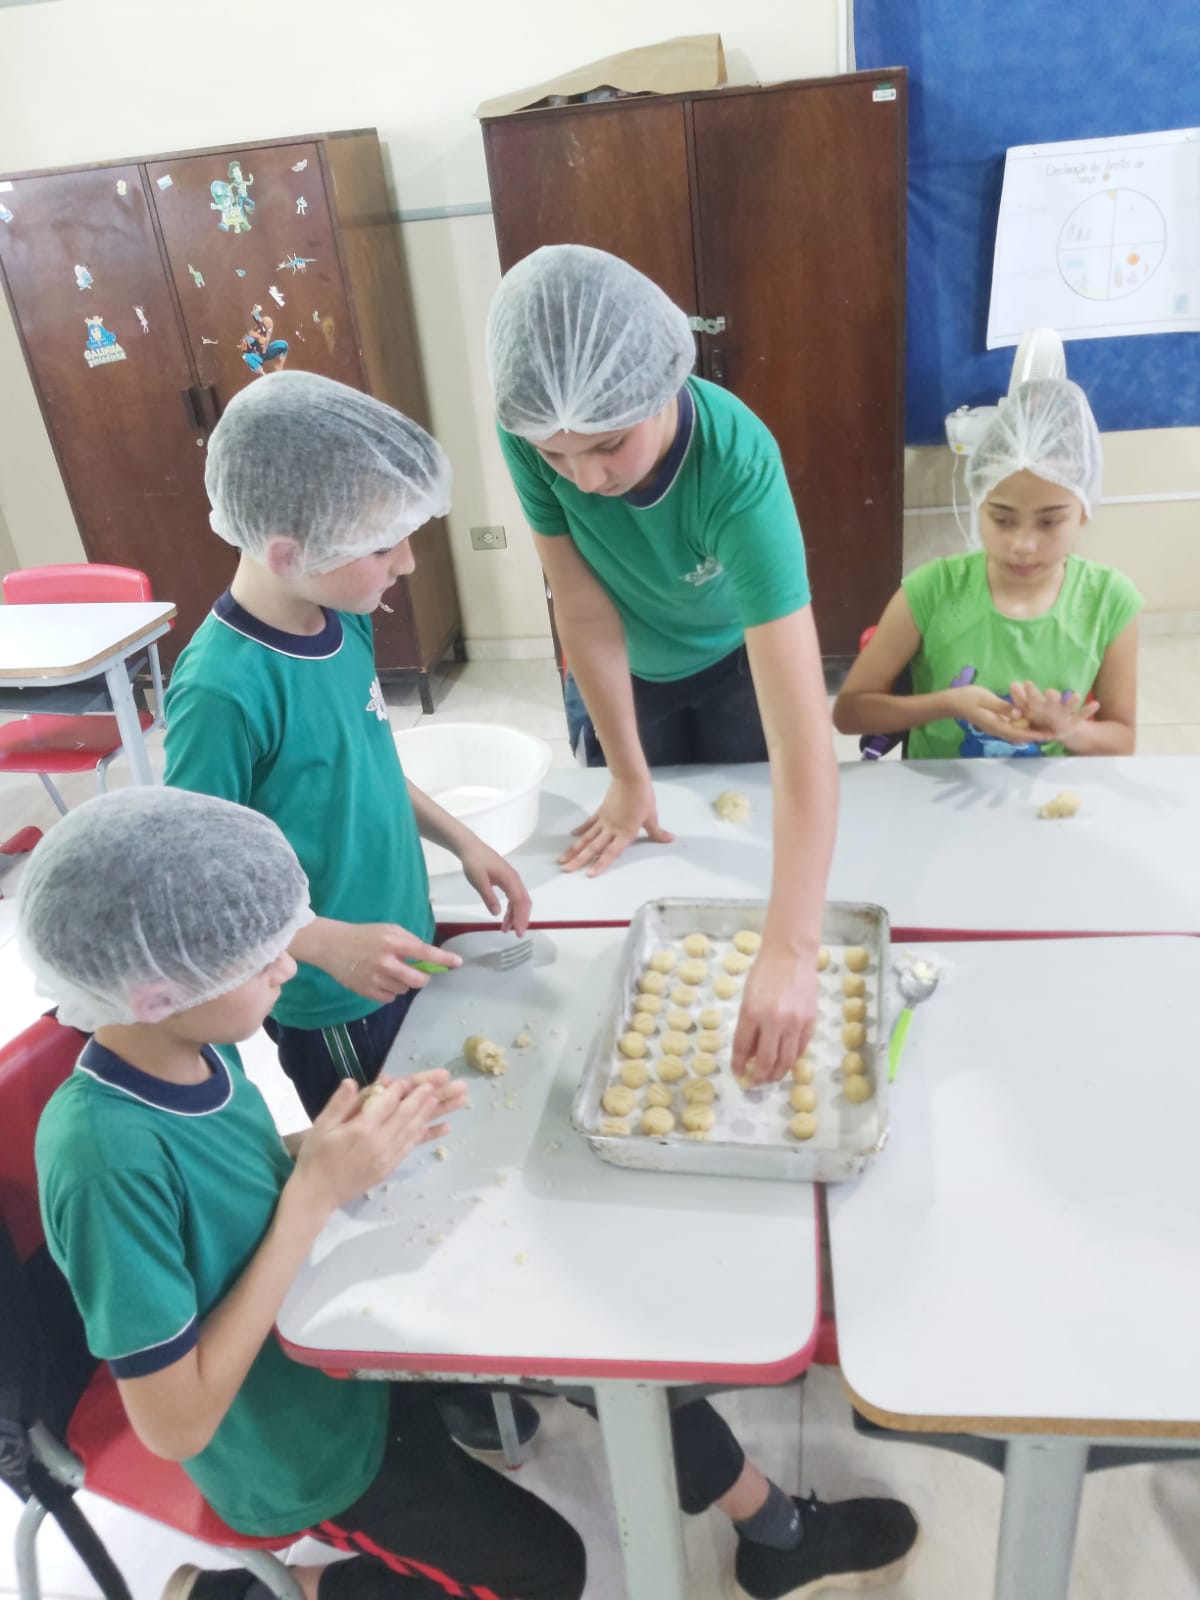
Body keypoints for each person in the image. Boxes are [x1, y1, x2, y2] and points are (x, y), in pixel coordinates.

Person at [27, 787, 585, 1600]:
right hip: (292, 1448)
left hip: (335, 1364)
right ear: (158, 988)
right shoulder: (104, 1159)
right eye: (259, 960)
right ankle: (237, 1594)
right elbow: (174, 1421)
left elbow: (231, 1179)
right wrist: (313, 1194)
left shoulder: (194, 1047)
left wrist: (335, 1146)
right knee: (544, 1572)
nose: (289, 965)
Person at [487, 244, 838, 1086]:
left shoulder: (737, 468)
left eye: (606, 445)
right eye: (556, 455)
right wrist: (627, 772)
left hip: (731, 664)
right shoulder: (536, 430)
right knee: (634, 860)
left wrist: (791, 951)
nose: (582, 476)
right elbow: (582, 608)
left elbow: (800, 736)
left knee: (743, 830)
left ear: (664, 387)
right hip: (621, 670)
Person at [163, 371, 532, 1125]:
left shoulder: (344, 616)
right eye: (383, 545)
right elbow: (198, 882)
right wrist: (324, 942)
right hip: (328, 993)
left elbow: (368, 763)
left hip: (399, 933)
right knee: (378, 1145)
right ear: (289, 552)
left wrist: (462, 840)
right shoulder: (221, 691)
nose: (408, 563)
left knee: (430, 1117)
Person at [833, 377, 1141, 758]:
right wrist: (947, 703)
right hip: (933, 795)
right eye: (1002, 519)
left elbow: (1122, 740)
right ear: (979, 503)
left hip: (1048, 802)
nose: (1023, 545)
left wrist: (1069, 730)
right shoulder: (932, 588)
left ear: (1083, 512)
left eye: (1049, 522)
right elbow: (849, 714)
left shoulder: (1110, 601)